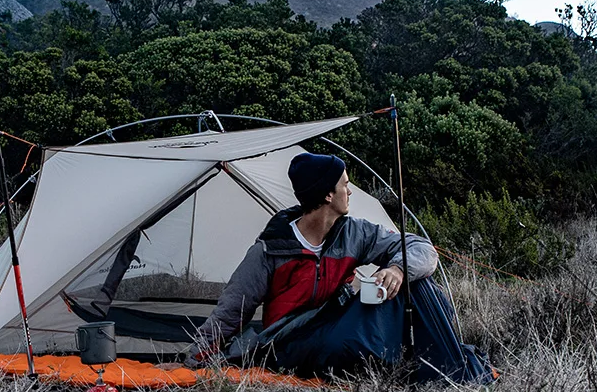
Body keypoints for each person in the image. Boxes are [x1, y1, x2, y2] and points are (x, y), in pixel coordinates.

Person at [187, 152, 439, 377]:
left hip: (336, 326)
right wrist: (193, 359)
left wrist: (398, 269)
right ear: (328, 194)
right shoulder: (271, 250)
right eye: (346, 185)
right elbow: (231, 311)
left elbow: (423, 249)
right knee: (342, 344)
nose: (349, 192)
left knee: (419, 284)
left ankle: (442, 363)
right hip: (289, 342)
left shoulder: (354, 234)